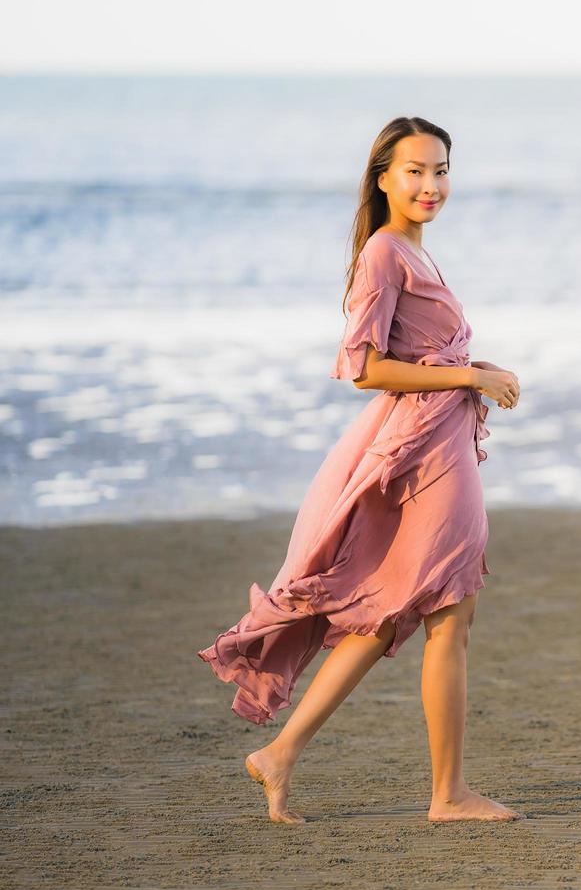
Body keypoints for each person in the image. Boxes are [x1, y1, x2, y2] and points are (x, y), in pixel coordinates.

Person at [197, 116, 524, 824]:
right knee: (449, 609)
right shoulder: (384, 253)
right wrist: (466, 373)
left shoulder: (414, 250)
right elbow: (364, 367)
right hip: (422, 453)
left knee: (392, 612)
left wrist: (477, 369)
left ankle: (281, 755)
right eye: (415, 170)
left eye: (441, 170)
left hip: (438, 438)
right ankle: (449, 796)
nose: (431, 184)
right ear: (382, 177)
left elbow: (422, 354)